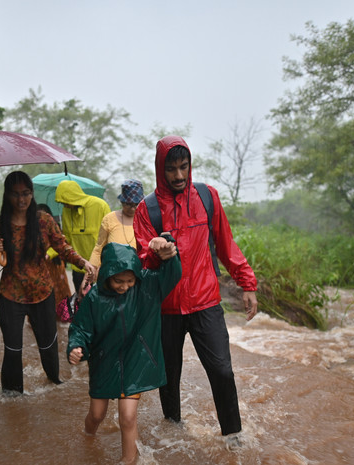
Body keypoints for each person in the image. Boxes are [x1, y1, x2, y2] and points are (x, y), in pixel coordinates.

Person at [133, 135, 258, 447]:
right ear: (160, 169)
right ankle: (173, 432)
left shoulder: (206, 197)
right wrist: (154, 251)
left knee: (222, 371)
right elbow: (140, 262)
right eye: (171, 169)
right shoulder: (146, 209)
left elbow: (227, 245)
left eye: (183, 167)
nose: (178, 176)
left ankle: (233, 438)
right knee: (168, 377)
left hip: (205, 303)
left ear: (190, 165)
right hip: (165, 308)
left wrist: (247, 283)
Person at [67, 238, 181, 464]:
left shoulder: (145, 286)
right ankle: (88, 436)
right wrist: (76, 347)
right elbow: (80, 327)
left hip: (135, 361)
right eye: (119, 281)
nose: (125, 286)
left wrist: (169, 254)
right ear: (107, 274)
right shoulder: (94, 297)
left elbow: (172, 274)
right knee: (97, 415)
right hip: (104, 362)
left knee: (128, 418)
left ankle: (127, 460)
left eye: (130, 280)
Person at [0, 171, 98, 395]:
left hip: (42, 294)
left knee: (48, 346)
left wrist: (83, 262)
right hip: (11, 296)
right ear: (7, 195)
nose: (21, 200)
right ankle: (12, 397)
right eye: (15, 194)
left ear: (32, 194)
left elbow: (62, 247)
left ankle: (54, 384)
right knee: (12, 349)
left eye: (26, 193)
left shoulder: (43, 221)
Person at [81, 179, 145, 289]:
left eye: (137, 204)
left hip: (136, 279)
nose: (133, 208)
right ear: (122, 202)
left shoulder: (146, 220)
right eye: (129, 204)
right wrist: (89, 275)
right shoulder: (110, 219)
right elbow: (98, 248)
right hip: (112, 278)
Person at [55, 180, 111, 293]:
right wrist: (50, 253)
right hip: (79, 269)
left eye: (65, 201)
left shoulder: (100, 205)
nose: (64, 205)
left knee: (101, 304)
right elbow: (66, 239)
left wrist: (105, 263)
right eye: (62, 203)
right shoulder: (66, 211)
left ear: (73, 197)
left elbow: (110, 236)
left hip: (99, 268)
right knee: (81, 304)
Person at [37, 203, 72, 306]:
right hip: (42, 266)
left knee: (60, 290)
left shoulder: (56, 228)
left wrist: (49, 254)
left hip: (55, 265)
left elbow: (62, 245)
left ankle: (61, 314)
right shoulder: (32, 231)